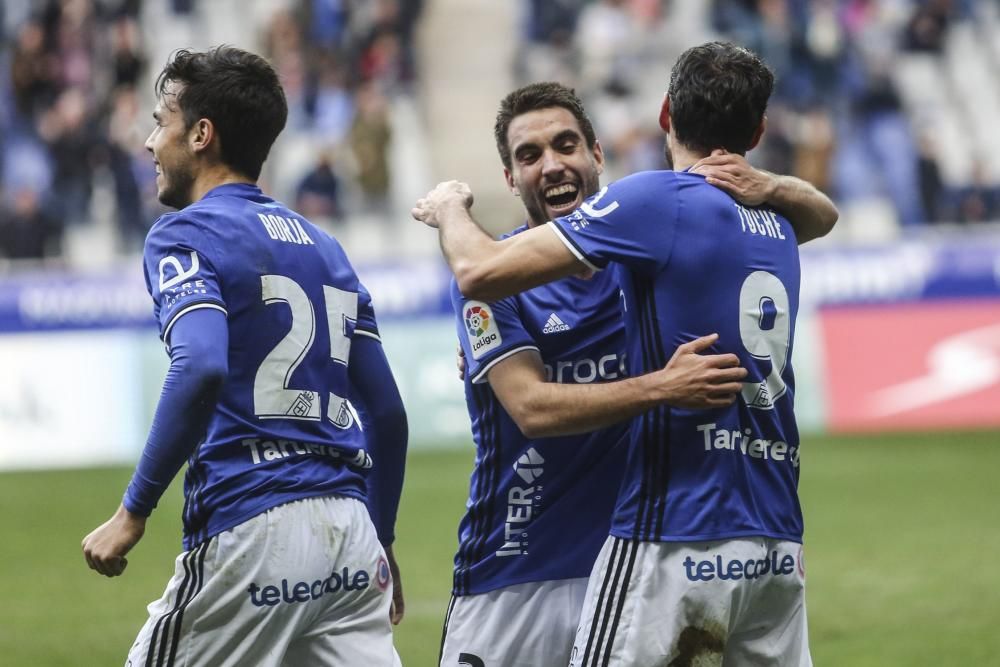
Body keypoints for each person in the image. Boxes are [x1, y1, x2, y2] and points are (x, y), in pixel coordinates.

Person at [414, 42, 835, 666]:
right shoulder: (503, 286)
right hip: (514, 570)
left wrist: (449, 208)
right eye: (529, 156)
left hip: (638, 554)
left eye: (566, 146)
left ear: (599, 154)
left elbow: (817, 216)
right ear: (509, 178)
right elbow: (528, 402)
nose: (552, 165)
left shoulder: (649, 252)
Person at [81, 46, 407, 667]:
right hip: (352, 535)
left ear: (202, 135)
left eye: (161, 123)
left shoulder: (185, 234)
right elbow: (387, 414)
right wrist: (383, 538)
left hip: (254, 522)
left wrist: (134, 511)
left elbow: (200, 365)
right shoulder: (326, 247)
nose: (150, 142)